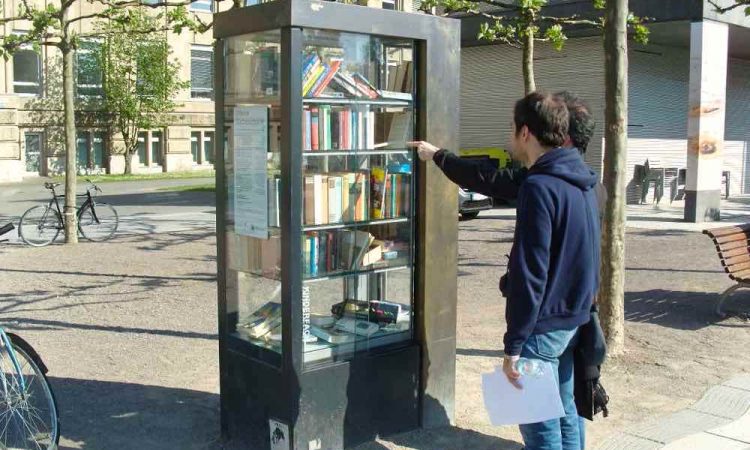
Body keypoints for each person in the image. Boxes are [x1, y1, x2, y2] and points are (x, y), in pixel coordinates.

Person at [411, 92, 601, 450]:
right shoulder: (584, 181)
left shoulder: (540, 187)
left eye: (512, 130)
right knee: (565, 410)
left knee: (538, 425)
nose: (509, 137)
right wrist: (439, 155)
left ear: (525, 132)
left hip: (543, 328)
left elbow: (531, 272)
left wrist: (514, 345)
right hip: (572, 319)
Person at [412, 91, 600, 208]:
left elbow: (490, 179)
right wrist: (438, 155)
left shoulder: (542, 187)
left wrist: (438, 155)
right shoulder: (589, 184)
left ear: (564, 138)